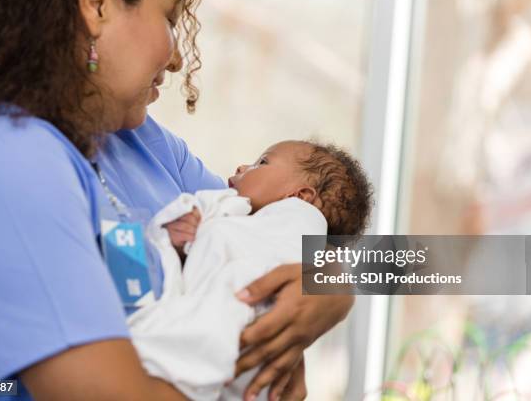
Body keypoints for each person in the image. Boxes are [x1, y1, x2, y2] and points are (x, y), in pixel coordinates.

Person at [0, 0, 354, 400]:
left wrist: (336, 286)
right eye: (171, 19)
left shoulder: (143, 143)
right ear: (97, 5)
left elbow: (388, 264)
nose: (177, 60)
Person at [125, 140, 373, 400]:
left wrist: (337, 288)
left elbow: (302, 254)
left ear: (300, 197)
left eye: (262, 163)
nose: (243, 166)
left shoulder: (294, 219)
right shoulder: (247, 215)